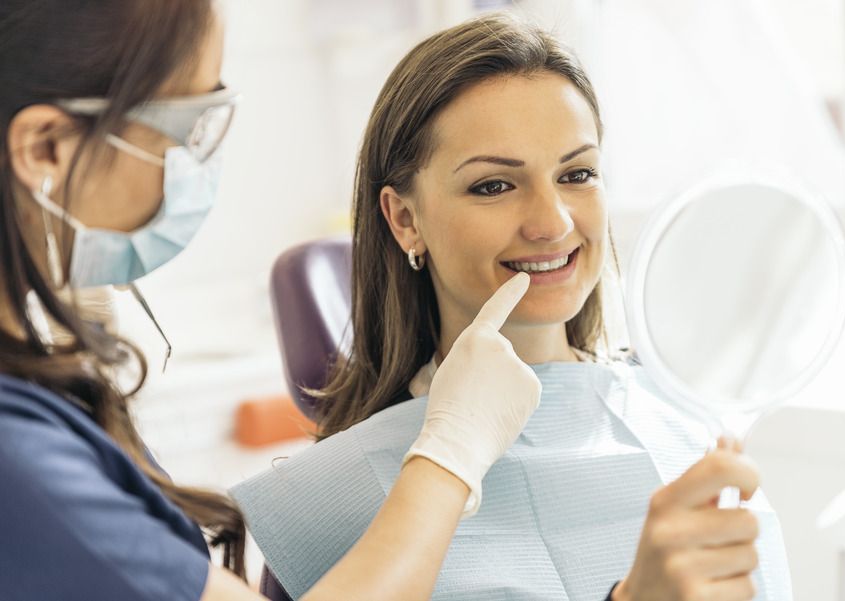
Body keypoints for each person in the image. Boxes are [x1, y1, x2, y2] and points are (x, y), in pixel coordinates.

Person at [230, 13, 794, 601]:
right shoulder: (334, 498)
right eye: (494, 186)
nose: (553, 223)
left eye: (577, 174)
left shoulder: (688, 425)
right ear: (405, 218)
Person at [0, 2, 544, 600]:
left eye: (579, 174)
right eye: (189, 127)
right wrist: (451, 454)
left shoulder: (37, 391)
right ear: (46, 147)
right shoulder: (17, 457)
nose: (552, 223)